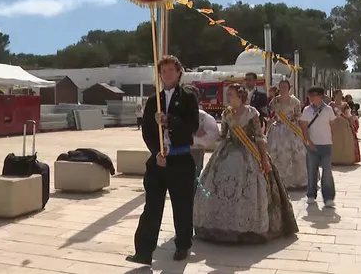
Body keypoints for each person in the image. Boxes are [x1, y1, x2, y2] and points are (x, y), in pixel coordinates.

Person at [193, 84, 298, 243]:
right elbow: (223, 135)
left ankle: (251, 228)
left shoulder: (251, 113)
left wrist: (263, 158)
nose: (228, 98)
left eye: (231, 95)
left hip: (250, 154)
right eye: (228, 95)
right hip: (228, 152)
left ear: (240, 97)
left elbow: (259, 136)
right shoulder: (227, 113)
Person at [126, 55, 199, 265]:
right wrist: (156, 152)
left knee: (182, 205)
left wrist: (170, 121)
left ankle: (183, 244)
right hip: (159, 162)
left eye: (171, 70)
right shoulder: (153, 101)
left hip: (181, 160)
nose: (167, 74)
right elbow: (148, 132)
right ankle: (144, 251)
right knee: (152, 206)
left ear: (179, 73)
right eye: (163, 71)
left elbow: (192, 126)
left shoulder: (188, 97)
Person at [266, 80, 307, 189]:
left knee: (296, 154)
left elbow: (299, 116)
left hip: (292, 129)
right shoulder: (274, 101)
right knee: (276, 154)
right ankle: (278, 181)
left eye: (285, 86)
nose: (283, 88)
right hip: (277, 129)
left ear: (289, 88)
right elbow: (271, 114)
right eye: (281, 86)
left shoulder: (295, 101)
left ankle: (297, 181)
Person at [299, 86, 336, 207]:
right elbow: (304, 128)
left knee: (327, 172)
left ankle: (329, 197)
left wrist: (332, 140)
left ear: (320, 96)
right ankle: (311, 194)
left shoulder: (328, 110)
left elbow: (333, 126)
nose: (310, 98)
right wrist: (308, 142)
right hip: (312, 145)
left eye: (313, 95)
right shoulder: (306, 110)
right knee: (311, 171)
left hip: (326, 145)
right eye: (309, 96)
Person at [183, 84, 221, 179]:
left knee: (195, 177)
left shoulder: (203, 117)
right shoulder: (173, 115)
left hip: (196, 152)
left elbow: (212, 135)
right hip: (177, 152)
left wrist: (191, 138)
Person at [329, 90, 361, 165]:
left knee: (345, 142)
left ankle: (346, 159)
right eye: (338, 94)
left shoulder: (345, 105)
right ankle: (333, 159)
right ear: (334, 95)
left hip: (344, 125)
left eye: (341, 94)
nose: (340, 96)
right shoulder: (331, 105)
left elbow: (348, 114)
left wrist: (351, 119)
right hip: (333, 125)